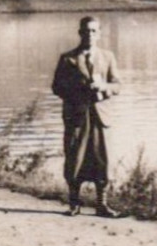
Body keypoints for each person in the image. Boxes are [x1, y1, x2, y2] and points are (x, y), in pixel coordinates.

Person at [50, 15, 120, 217]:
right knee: (75, 157)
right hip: (77, 115)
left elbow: (118, 85)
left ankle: (102, 204)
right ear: (80, 33)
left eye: (93, 31)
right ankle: (74, 203)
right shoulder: (68, 58)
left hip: (100, 115)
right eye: (86, 31)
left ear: (99, 34)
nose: (90, 35)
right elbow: (57, 87)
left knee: (102, 158)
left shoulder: (108, 57)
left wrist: (104, 87)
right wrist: (78, 90)